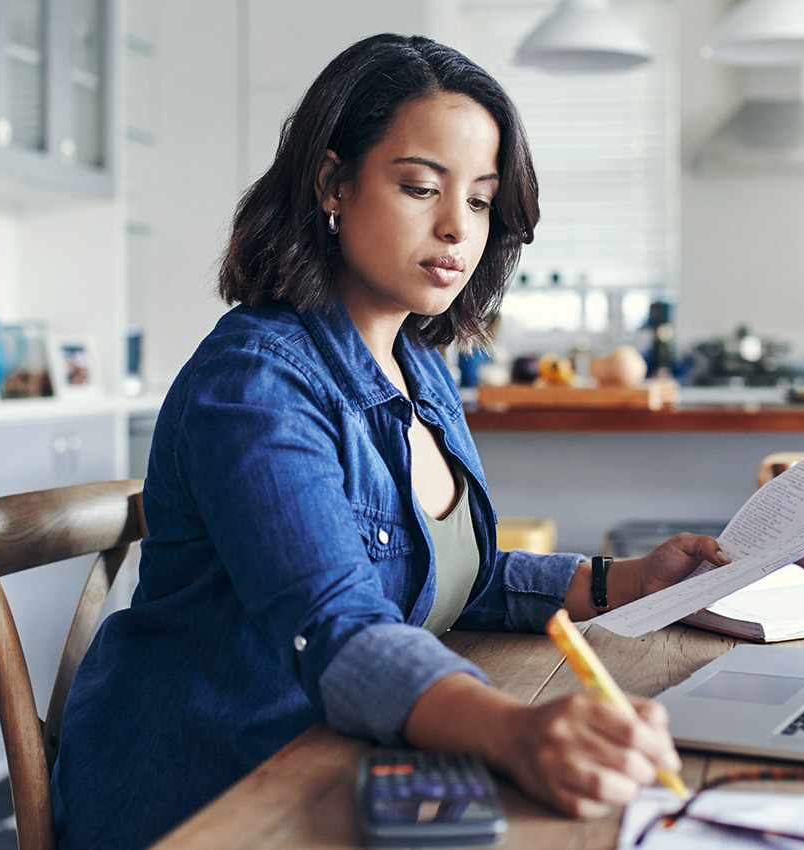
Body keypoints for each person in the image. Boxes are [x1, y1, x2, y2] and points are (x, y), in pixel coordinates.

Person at [50, 33, 726, 849]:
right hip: (217, 794)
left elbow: (450, 580)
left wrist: (622, 582)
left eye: (478, 201)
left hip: (339, 760)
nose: (455, 228)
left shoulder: (422, 366)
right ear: (333, 182)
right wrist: (514, 732)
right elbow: (337, 621)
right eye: (420, 187)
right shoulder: (257, 383)